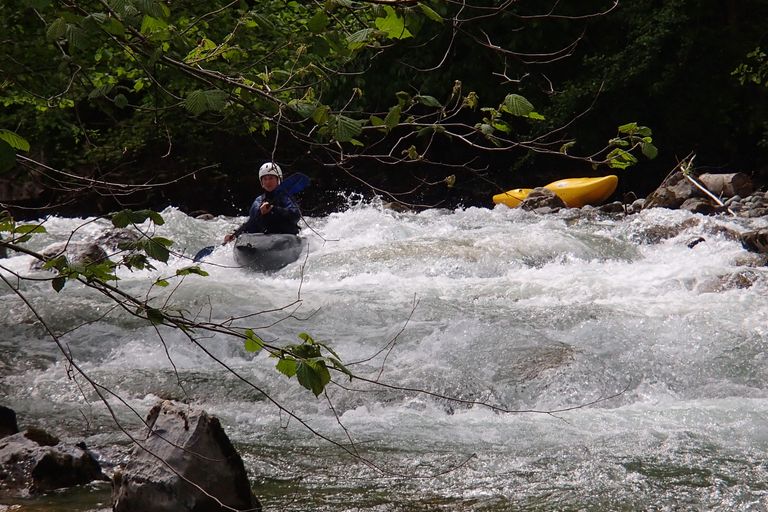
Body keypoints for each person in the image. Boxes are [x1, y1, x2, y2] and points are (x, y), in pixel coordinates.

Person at [223, 162, 301, 244]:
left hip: (285, 237)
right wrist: (235, 234)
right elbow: (251, 223)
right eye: (265, 179)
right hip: (265, 239)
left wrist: (274, 209)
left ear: (278, 180)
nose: (268, 182)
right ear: (262, 182)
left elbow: (295, 215)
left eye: (271, 178)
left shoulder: (286, 198)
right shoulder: (258, 201)